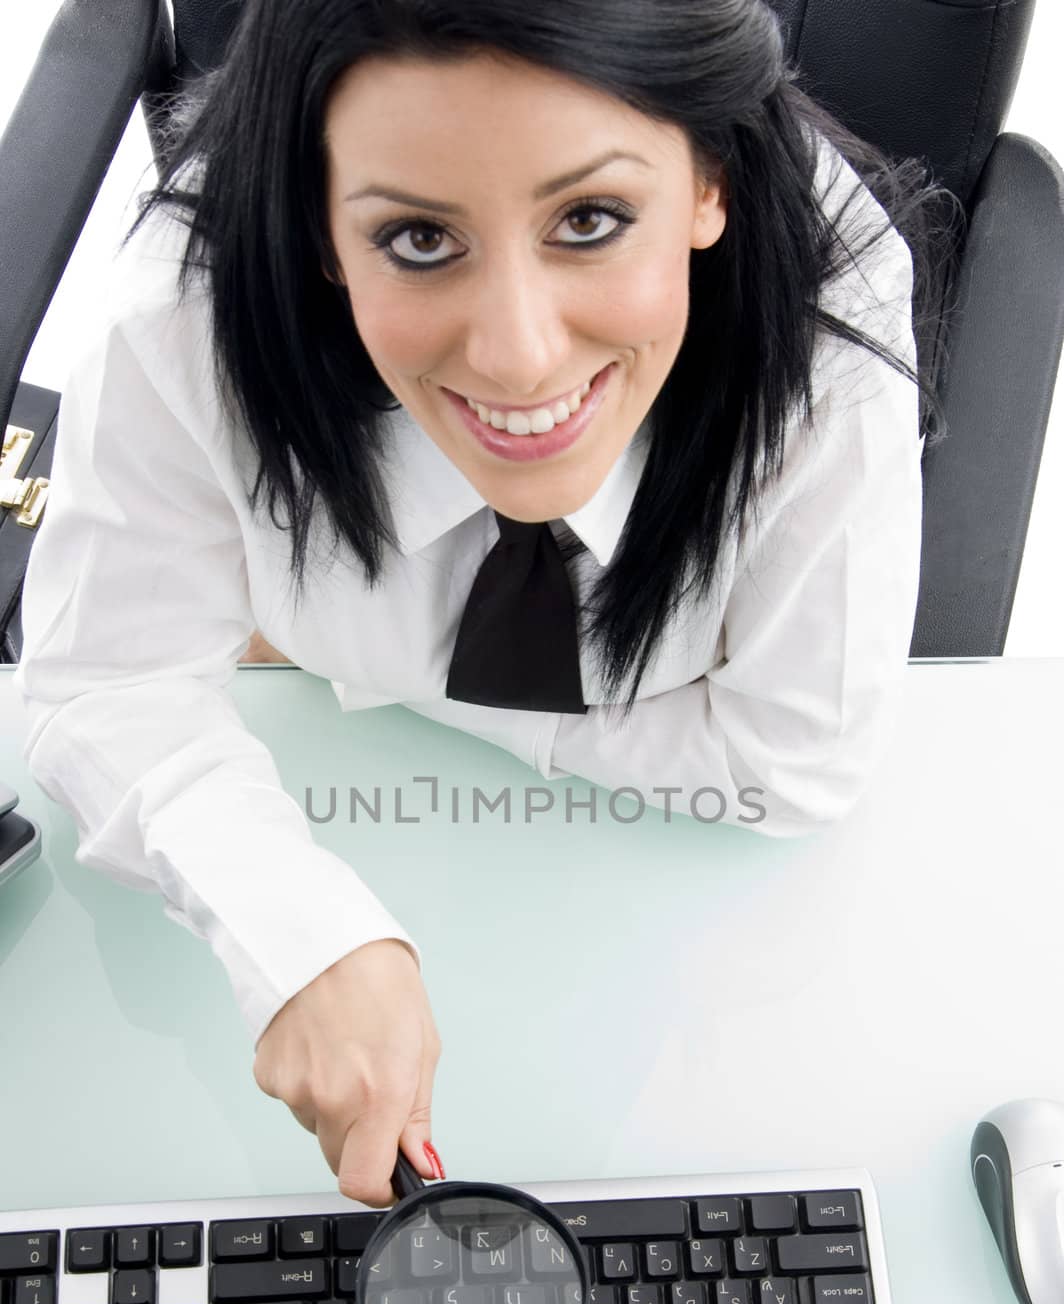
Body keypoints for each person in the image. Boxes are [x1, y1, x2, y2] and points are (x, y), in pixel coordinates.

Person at [13, 0, 959, 1208]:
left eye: (591, 221)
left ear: (710, 179)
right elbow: (104, 679)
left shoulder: (830, 335)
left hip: (695, 966)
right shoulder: (190, 309)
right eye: (416, 238)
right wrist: (294, 929)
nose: (516, 357)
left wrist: (358, 669)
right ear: (316, 224)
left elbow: (792, 766)